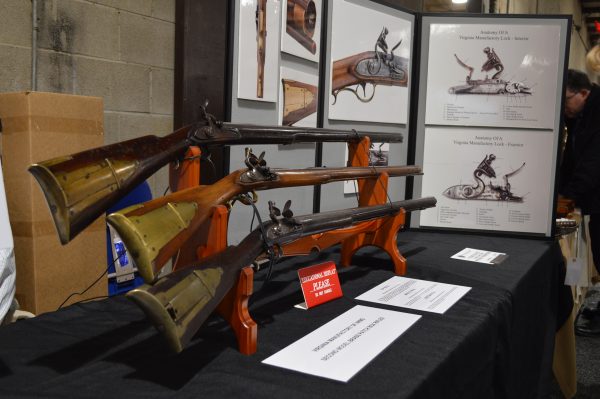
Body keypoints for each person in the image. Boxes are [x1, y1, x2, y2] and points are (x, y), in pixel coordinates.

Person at [559, 69, 600, 336]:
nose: (564, 108)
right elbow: (573, 157)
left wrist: (567, 195)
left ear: (583, 93)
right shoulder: (579, 114)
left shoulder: (596, 114)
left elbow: (592, 162)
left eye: (566, 101)